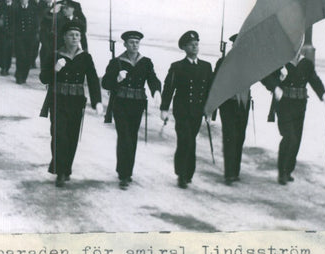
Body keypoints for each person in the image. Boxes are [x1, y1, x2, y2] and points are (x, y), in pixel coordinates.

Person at [40, 21, 103, 187]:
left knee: (72, 137)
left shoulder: (86, 57)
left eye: (77, 35)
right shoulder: (55, 55)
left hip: (76, 101)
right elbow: (43, 78)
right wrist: (55, 69)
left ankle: (66, 168)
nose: (75, 38)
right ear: (64, 37)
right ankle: (60, 171)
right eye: (71, 35)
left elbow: (93, 80)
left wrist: (97, 102)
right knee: (59, 135)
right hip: (58, 100)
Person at [101, 31, 161, 189]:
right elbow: (106, 83)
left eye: (137, 42)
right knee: (124, 136)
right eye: (131, 42)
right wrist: (117, 79)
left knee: (132, 137)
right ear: (125, 44)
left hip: (137, 104)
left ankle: (127, 171)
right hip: (120, 103)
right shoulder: (116, 62)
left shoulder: (146, 62)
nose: (134, 45)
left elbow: (152, 78)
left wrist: (156, 91)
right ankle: (123, 174)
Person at [262, 46, 325, 185]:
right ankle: (282, 171)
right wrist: (275, 87)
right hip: (284, 105)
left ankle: (288, 170)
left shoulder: (306, 63)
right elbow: (266, 77)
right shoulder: (280, 61)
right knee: (289, 137)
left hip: (300, 106)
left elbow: (314, 79)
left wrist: (322, 93)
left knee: (296, 139)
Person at [160, 30, 213, 188]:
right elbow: (168, 89)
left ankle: (188, 173)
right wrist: (164, 108)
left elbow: (210, 90)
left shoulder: (206, 66)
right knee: (185, 140)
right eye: (191, 45)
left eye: (196, 44)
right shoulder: (177, 67)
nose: (195, 47)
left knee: (191, 141)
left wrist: (210, 110)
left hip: (198, 111)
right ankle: (182, 174)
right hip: (182, 111)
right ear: (184, 47)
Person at [214, 34, 251, 185]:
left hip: (243, 105)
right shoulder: (223, 61)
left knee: (240, 138)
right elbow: (214, 82)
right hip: (228, 104)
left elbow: (263, 76)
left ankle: (235, 171)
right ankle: (229, 173)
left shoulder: (250, 62)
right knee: (230, 137)